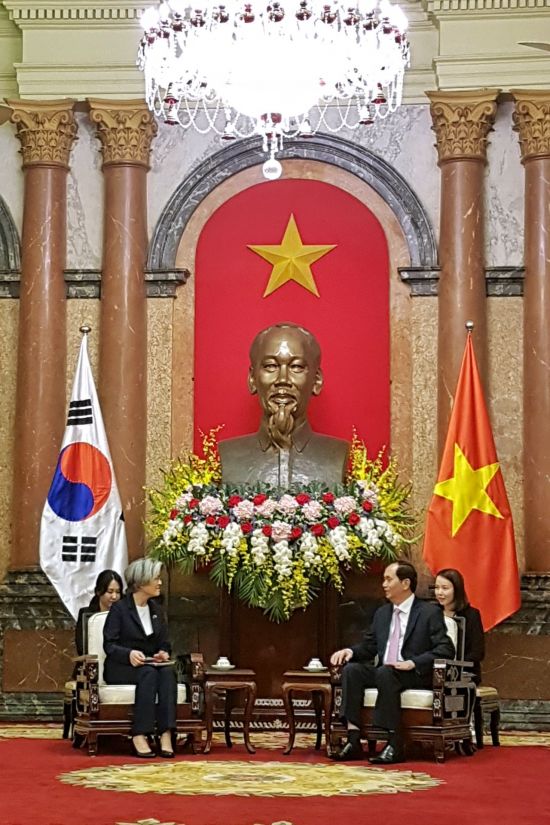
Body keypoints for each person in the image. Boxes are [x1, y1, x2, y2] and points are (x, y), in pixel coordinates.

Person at [330, 561, 455, 764]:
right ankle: (353, 740)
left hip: (413, 674)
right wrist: (349, 651)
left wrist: (413, 663)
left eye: (389, 579)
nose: (384, 585)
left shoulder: (428, 612)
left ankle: (395, 743)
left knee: (385, 672)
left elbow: (445, 649)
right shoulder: (382, 613)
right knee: (352, 670)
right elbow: (369, 646)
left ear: (405, 583)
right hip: (386, 672)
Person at [218, 322, 349, 487]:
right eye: (270, 366)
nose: (283, 379)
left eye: (296, 367)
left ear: (316, 380)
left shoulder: (336, 454)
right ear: (252, 379)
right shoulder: (229, 454)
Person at [103, 558, 177, 759]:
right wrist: (129, 654)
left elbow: (164, 643)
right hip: (121, 667)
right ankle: (139, 733)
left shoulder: (156, 610)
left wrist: (163, 653)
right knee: (148, 673)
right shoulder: (120, 609)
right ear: (142, 582)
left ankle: (166, 733)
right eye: (156, 578)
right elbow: (109, 644)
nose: (160, 582)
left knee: (168, 672)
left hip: (149, 665)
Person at [434, 568, 485, 684]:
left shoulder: (471, 615)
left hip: (464, 672)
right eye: (437, 588)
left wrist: (454, 666)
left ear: (457, 590)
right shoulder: (431, 613)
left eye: (445, 588)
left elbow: (477, 652)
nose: (439, 592)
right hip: (434, 671)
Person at [75, 569, 123, 657]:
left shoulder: (125, 614)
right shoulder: (86, 615)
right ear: (99, 591)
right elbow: (81, 648)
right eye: (110, 592)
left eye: (118, 592)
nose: (114, 596)